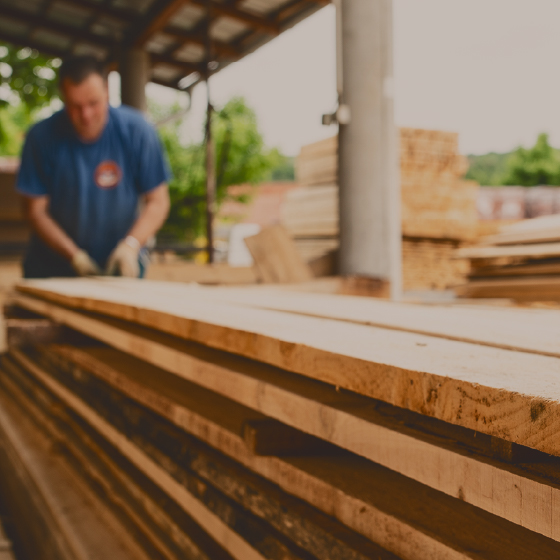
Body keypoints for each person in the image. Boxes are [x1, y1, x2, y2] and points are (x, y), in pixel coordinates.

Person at [17, 55, 171, 278]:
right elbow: (35, 211)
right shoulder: (40, 138)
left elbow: (158, 201)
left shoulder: (138, 131)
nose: (86, 115)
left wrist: (130, 246)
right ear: (63, 97)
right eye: (75, 106)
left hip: (120, 265)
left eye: (93, 103)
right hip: (52, 266)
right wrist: (74, 256)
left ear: (107, 91)